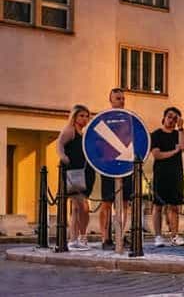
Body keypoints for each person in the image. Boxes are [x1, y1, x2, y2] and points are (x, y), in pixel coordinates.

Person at [56, 104, 96, 251]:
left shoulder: (84, 133)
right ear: (75, 116)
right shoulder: (70, 130)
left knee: (79, 208)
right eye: (81, 115)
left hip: (85, 173)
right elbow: (59, 144)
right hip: (73, 173)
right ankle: (78, 238)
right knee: (81, 207)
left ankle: (76, 238)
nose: (84, 118)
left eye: (86, 116)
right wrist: (63, 157)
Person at [99, 88, 133, 250]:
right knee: (106, 203)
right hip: (108, 166)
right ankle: (105, 238)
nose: (121, 101)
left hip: (126, 166)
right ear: (111, 100)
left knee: (125, 203)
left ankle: (121, 234)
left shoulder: (130, 120)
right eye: (118, 98)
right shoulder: (104, 119)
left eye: (123, 98)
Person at [150, 107, 184, 247]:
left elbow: (183, 147)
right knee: (158, 206)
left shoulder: (178, 134)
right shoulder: (156, 135)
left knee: (174, 206)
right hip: (161, 174)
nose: (172, 120)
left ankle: (174, 235)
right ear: (164, 118)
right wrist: (174, 151)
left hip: (176, 174)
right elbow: (157, 155)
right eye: (170, 117)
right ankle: (158, 236)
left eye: (175, 118)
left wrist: (181, 128)